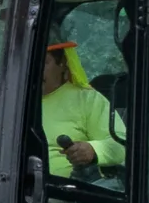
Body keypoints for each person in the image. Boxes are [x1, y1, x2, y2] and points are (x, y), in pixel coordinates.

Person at [37, 38, 124, 179]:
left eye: (43, 63)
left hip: (63, 193)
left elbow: (121, 146)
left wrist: (92, 150)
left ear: (63, 64)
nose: (34, 70)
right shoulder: (11, 108)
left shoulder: (87, 99)